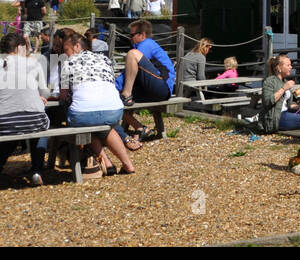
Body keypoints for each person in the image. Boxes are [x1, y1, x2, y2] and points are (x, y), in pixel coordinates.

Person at [61, 32, 136, 174]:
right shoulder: (104, 59)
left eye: (66, 50)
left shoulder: (68, 63)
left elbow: (64, 96)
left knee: (85, 122)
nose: (65, 54)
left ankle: (106, 162)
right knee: (106, 127)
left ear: (77, 46)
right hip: (114, 110)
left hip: (83, 113)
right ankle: (128, 164)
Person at [0, 31, 51, 186]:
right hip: (34, 120)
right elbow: (45, 92)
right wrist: (37, 95)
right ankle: (36, 170)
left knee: (11, 127)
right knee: (39, 128)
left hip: (6, 123)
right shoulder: (33, 63)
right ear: (18, 48)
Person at [117, 19, 176, 136]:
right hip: (153, 90)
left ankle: (126, 94)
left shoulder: (147, 44)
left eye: (132, 35)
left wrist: (113, 86)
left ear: (142, 35)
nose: (130, 38)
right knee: (113, 100)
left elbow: (126, 74)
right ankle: (140, 128)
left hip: (162, 87)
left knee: (132, 54)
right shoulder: (143, 46)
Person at [257, 54, 300, 133]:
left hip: (286, 113)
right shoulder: (269, 81)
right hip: (277, 117)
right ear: (279, 68)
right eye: (288, 65)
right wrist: (284, 88)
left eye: (290, 65)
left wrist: (298, 106)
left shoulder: (284, 81)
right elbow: (267, 101)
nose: (291, 67)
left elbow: (288, 104)